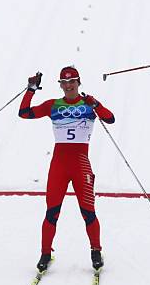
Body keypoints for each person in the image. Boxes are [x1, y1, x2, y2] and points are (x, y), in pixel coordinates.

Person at [19, 66, 115, 273]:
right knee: (52, 212)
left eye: (72, 81)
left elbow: (110, 118)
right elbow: (24, 113)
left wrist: (96, 104)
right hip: (59, 167)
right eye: (64, 82)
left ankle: (96, 251)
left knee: (88, 212)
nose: (69, 85)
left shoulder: (88, 104)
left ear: (79, 82)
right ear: (61, 85)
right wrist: (31, 89)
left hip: (81, 165)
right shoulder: (53, 105)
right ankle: (45, 254)